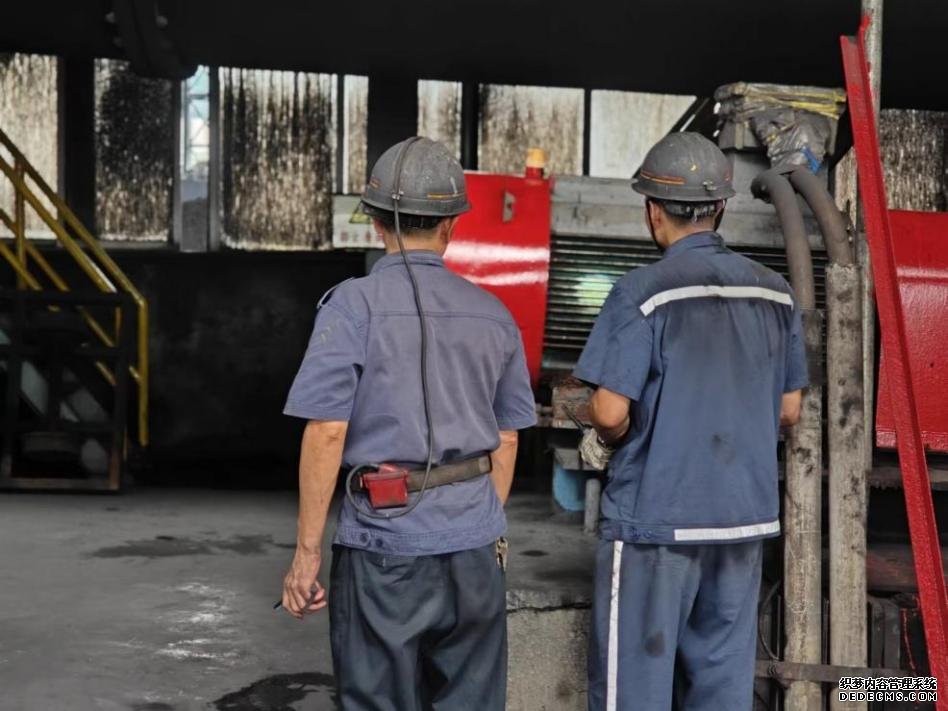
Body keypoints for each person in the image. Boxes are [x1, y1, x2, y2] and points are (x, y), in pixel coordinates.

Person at [279, 136, 536, 710]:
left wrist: (306, 554)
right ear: (451, 227)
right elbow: (510, 436)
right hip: (474, 551)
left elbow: (326, 431)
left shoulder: (351, 306)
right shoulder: (496, 315)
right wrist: (478, 523)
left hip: (384, 546)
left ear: (374, 222)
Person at [576, 132, 809, 711]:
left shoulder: (642, 293)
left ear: (653, 211)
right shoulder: (777, 294)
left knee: (633, 690)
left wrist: (613, 437)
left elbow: (608, 411)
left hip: (656, 521)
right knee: (721, 690)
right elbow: (789, 409)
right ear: (722, 207)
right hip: (741, 522)